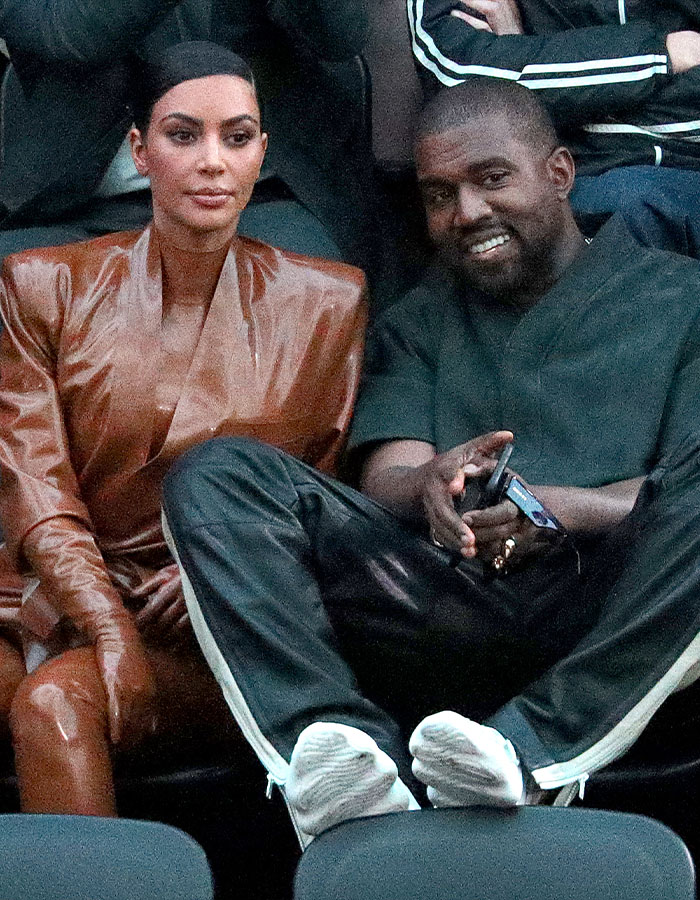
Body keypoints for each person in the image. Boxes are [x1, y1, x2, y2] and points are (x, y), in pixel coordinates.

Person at [161, 78, 700, 847]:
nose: (467, 212)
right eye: (440, 195)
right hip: (439, 600)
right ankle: (342, 765)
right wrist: (431, 484)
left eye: (492, 179)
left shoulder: (682, 298)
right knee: (219, 475)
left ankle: (533, 750)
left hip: (614, 605)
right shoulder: (419, 318)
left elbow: (679, 490)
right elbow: (388, 474)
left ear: (559, 173)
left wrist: (559, 507)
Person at [0, 41, 367, 815]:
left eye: (238, 137)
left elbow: (313, 498)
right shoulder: (41, 285)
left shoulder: (327, 303)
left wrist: (213, 569)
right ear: (140, 151)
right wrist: (107, 627)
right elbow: (37, 490)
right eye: (183, 135)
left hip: (214, 620)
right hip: (57, 595)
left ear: (263, 151)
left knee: (57, 705)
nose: (212, 162)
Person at [0, 0, 377, 277]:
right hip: (85, 208)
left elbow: (342, 36)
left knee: (304, 286)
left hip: (258, 199)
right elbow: (70, 35)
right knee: (17, 284)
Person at [407, 0, 700, 256]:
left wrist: (526, 63)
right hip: (560, 178)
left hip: (681, 168)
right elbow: (460, 75)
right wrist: (659, 56)